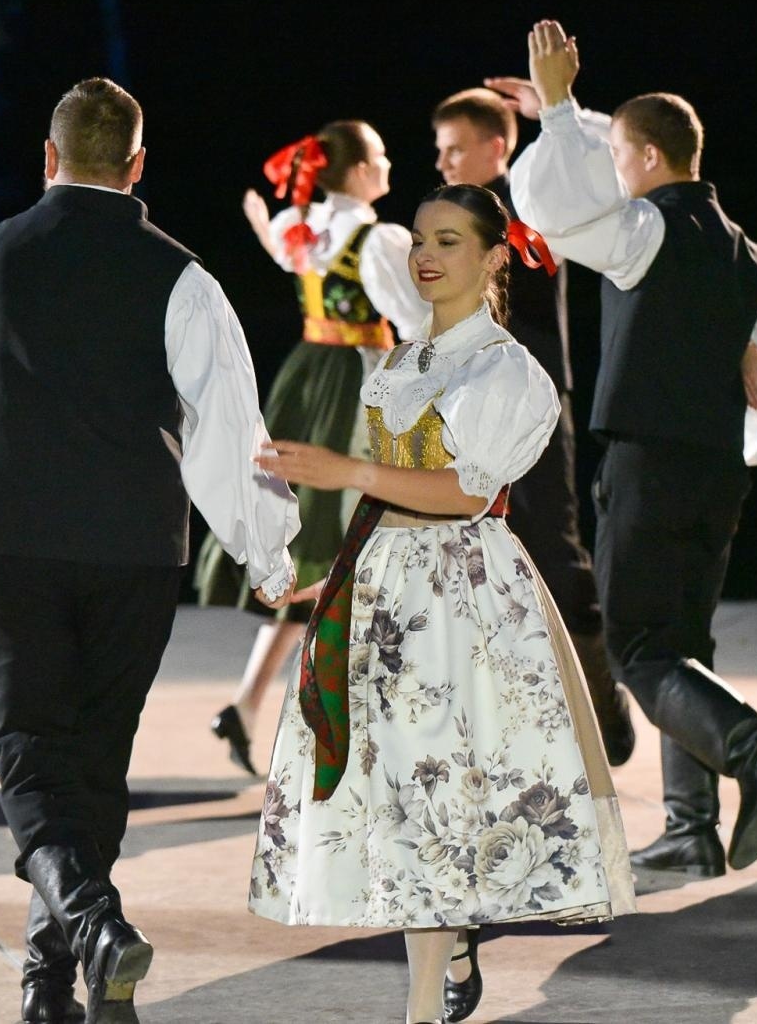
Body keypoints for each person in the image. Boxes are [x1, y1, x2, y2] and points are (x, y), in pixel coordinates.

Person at [0, 77, 300, 1024]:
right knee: (93, 758)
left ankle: (87, 929)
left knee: (26, 745)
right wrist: (268, 554)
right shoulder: (186, 278)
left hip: (19, 541)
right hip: (138, 546)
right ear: (138, 166)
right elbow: (230, 432)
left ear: (47, 160)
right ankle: (56, 977)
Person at [248, 183, 635, 1024]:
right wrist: (326, 571)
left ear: (496, 256)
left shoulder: (507, 369)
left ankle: (426, 1001)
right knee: (401, 795)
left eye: (450, 241)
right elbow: (388, 500)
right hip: (388, 588)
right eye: (422, 238)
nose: (426, 254)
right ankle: (440, 963)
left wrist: (346, 472)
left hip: (463, 595)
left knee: (444, 788)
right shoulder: (400, 361)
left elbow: (465, 492)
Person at [505, 20, 757, 880]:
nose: (614, 171)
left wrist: (555, 107)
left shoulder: (645, 232)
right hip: (718, 469)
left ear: (648, 161)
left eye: (619, 156)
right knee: (684, 641)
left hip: (648, 463)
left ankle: (754, 751)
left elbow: (559, 209)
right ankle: (692, 827)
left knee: (640, 651)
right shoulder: (752, 258)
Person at [428, 85, 636, 1021]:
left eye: (453, 147)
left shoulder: (527, 222)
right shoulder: (447, 232)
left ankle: (600, 702)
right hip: (466, 437)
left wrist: (564, 110)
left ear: (492, 149)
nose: (440, 161)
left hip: (528, 428)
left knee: (550, 576)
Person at [196, 120, 428, 777]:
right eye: (379, 155)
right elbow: (412, 318)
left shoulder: (308, 227)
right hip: (356, 382)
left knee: (318, 549)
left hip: (306, 376)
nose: (387, 165)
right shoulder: (375, 238)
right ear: (356, 171)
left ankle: (248, 706)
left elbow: (282, 252)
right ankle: (340, 727)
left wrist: (262, 224)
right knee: (346, 549)